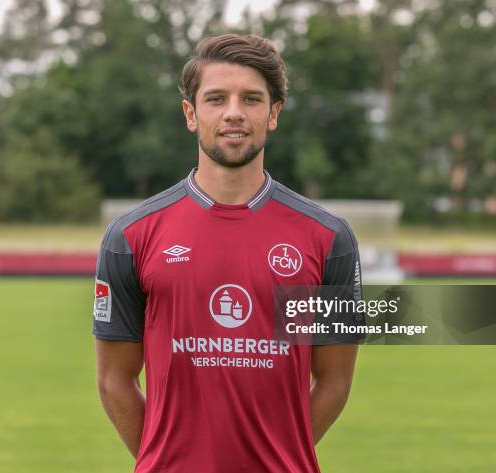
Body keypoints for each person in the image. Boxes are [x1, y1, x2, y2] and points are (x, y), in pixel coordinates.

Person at [93, 33, 363, 473]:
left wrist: (279, 457)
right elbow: (114, 380)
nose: (234, 113)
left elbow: (333, 381)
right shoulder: (131, 236)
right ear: (190, 113)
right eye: (216, 98)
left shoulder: (326, 239)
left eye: (251, 99)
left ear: (273, 113)